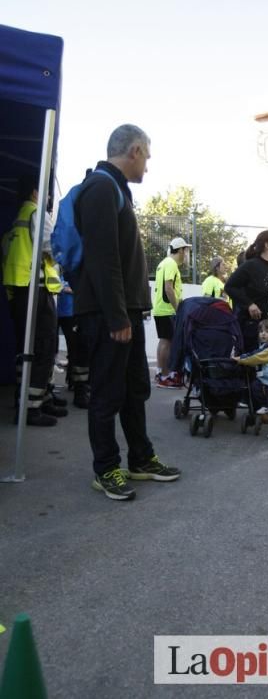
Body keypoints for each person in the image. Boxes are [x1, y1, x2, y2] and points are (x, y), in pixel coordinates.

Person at [75, 124, 181, 501]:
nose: (147, 167)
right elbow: (103, 261)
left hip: (126, 311)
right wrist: (118, 318)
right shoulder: (101, 187)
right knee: (106, 393)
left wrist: (129, 313)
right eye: (147, 157)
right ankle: (106, 469)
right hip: (108, 315)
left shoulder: (116, 189)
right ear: (135, 150)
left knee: (135, 389)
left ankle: (141, 459)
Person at [2, 175, 66, 426]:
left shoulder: (16, 219)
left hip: (19, 292)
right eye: (46, 192)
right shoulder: (36, 213)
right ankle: (33, 407)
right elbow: (50, 246)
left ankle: (30, 399)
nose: (49, 198)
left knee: (26, 349)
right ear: (35, 192)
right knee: (44, 346)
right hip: (36, 292)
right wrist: (65, 253)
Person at [225, 229, 268, 352]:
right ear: (267, 245)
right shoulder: (250, 266)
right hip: (254, 329)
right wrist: (249, 304)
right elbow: (230, 286)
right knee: (253, 366)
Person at [234, 319, 268, 440]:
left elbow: (258, 357)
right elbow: (256, 353)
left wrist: (240, 359)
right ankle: (265, 406)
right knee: (255, 387)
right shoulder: (265, 345)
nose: (263, 334)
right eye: (261, 331)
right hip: (267, 380)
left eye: (267, 331)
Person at [152, 237, 191, 388]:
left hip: (161, 308)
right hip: (168, 309)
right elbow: (168, 287)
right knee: (167, 343)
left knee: (164, 341)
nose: (186, 254)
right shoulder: (171, 264)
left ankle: (161, 373)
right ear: (180, 250)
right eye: (185, 250)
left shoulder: (164, 263)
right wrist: (177, 309)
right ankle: (165, 376)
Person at [56, 280, 90, 408]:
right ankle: (77, 387)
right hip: (62, 308)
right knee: (51, 349)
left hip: (71, 309)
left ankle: (76, 384)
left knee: (76, 349)